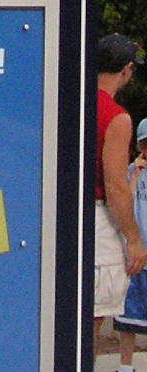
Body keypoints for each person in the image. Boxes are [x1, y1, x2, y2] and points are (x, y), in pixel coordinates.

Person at [94, 33, 147, 361]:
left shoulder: (68, 100)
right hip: (98, 219)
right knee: (93, 316)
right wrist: (133, 238)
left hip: (60, 212)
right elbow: (115, 186)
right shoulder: (116, 116)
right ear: (126, 70)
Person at [113, 117, 147, 372]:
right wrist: (134, 174)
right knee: (128, 318)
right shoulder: (129, 172)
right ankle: (126, 366)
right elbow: (124, 200)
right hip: (135, 255)